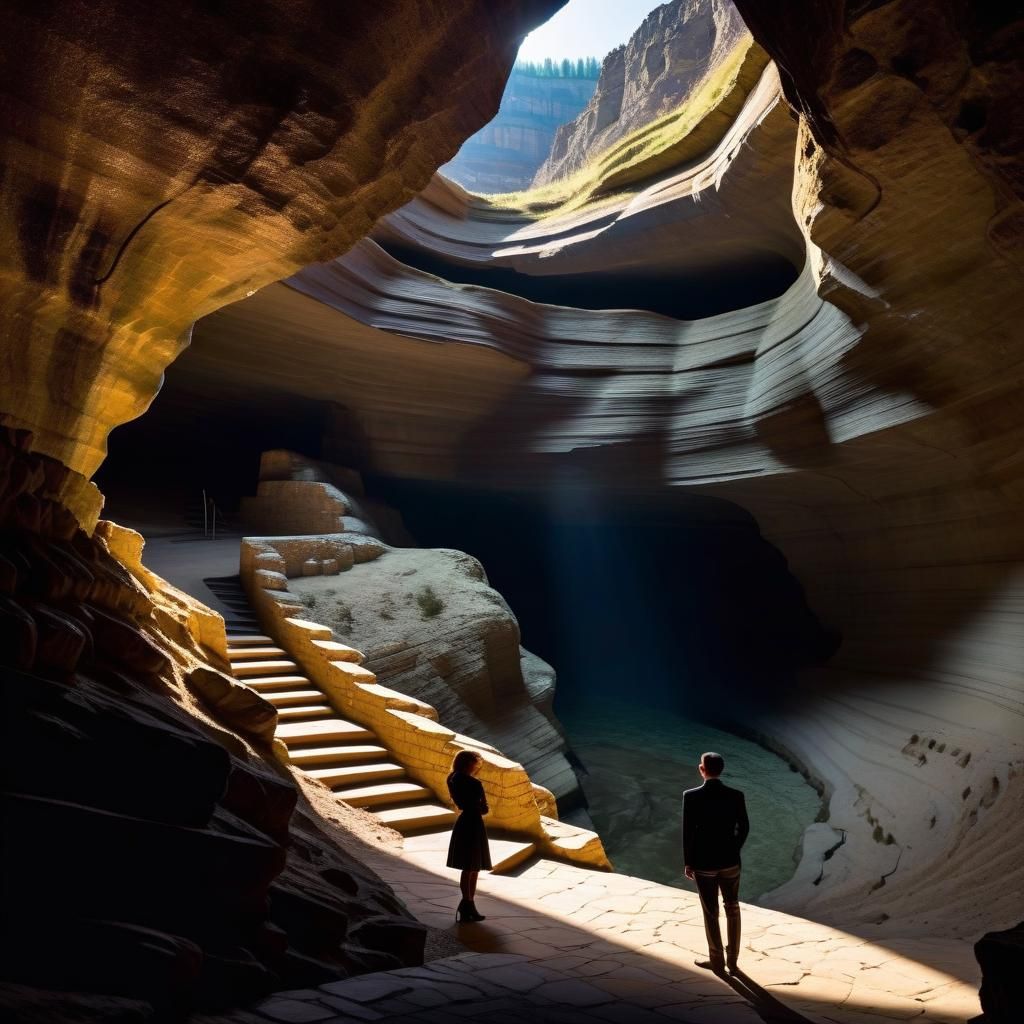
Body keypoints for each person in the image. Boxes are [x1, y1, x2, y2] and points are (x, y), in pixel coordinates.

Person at [682, 751, 749, 974]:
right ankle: (734, 961)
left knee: (710, 911)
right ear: (721, 769)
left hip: (703, 863)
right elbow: (744, 828)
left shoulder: (690, 796)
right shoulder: (736, 795)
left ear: (702, 769)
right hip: (730, 862)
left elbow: (688, 833)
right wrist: (733, 848)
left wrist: (688, 862)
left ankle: (717, 961)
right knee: (733, 908)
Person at [446, 749, 492, 923]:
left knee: (469, 866)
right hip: (474, 822)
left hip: (464, 821)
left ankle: (468, 905)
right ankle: (468, 905)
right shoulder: (474, 783)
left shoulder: (451, 778)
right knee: (473, 867)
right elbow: (484, 808)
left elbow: (463, 803)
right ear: (468, 764)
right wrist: (481, 806)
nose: (476, 767)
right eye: (474, 764)